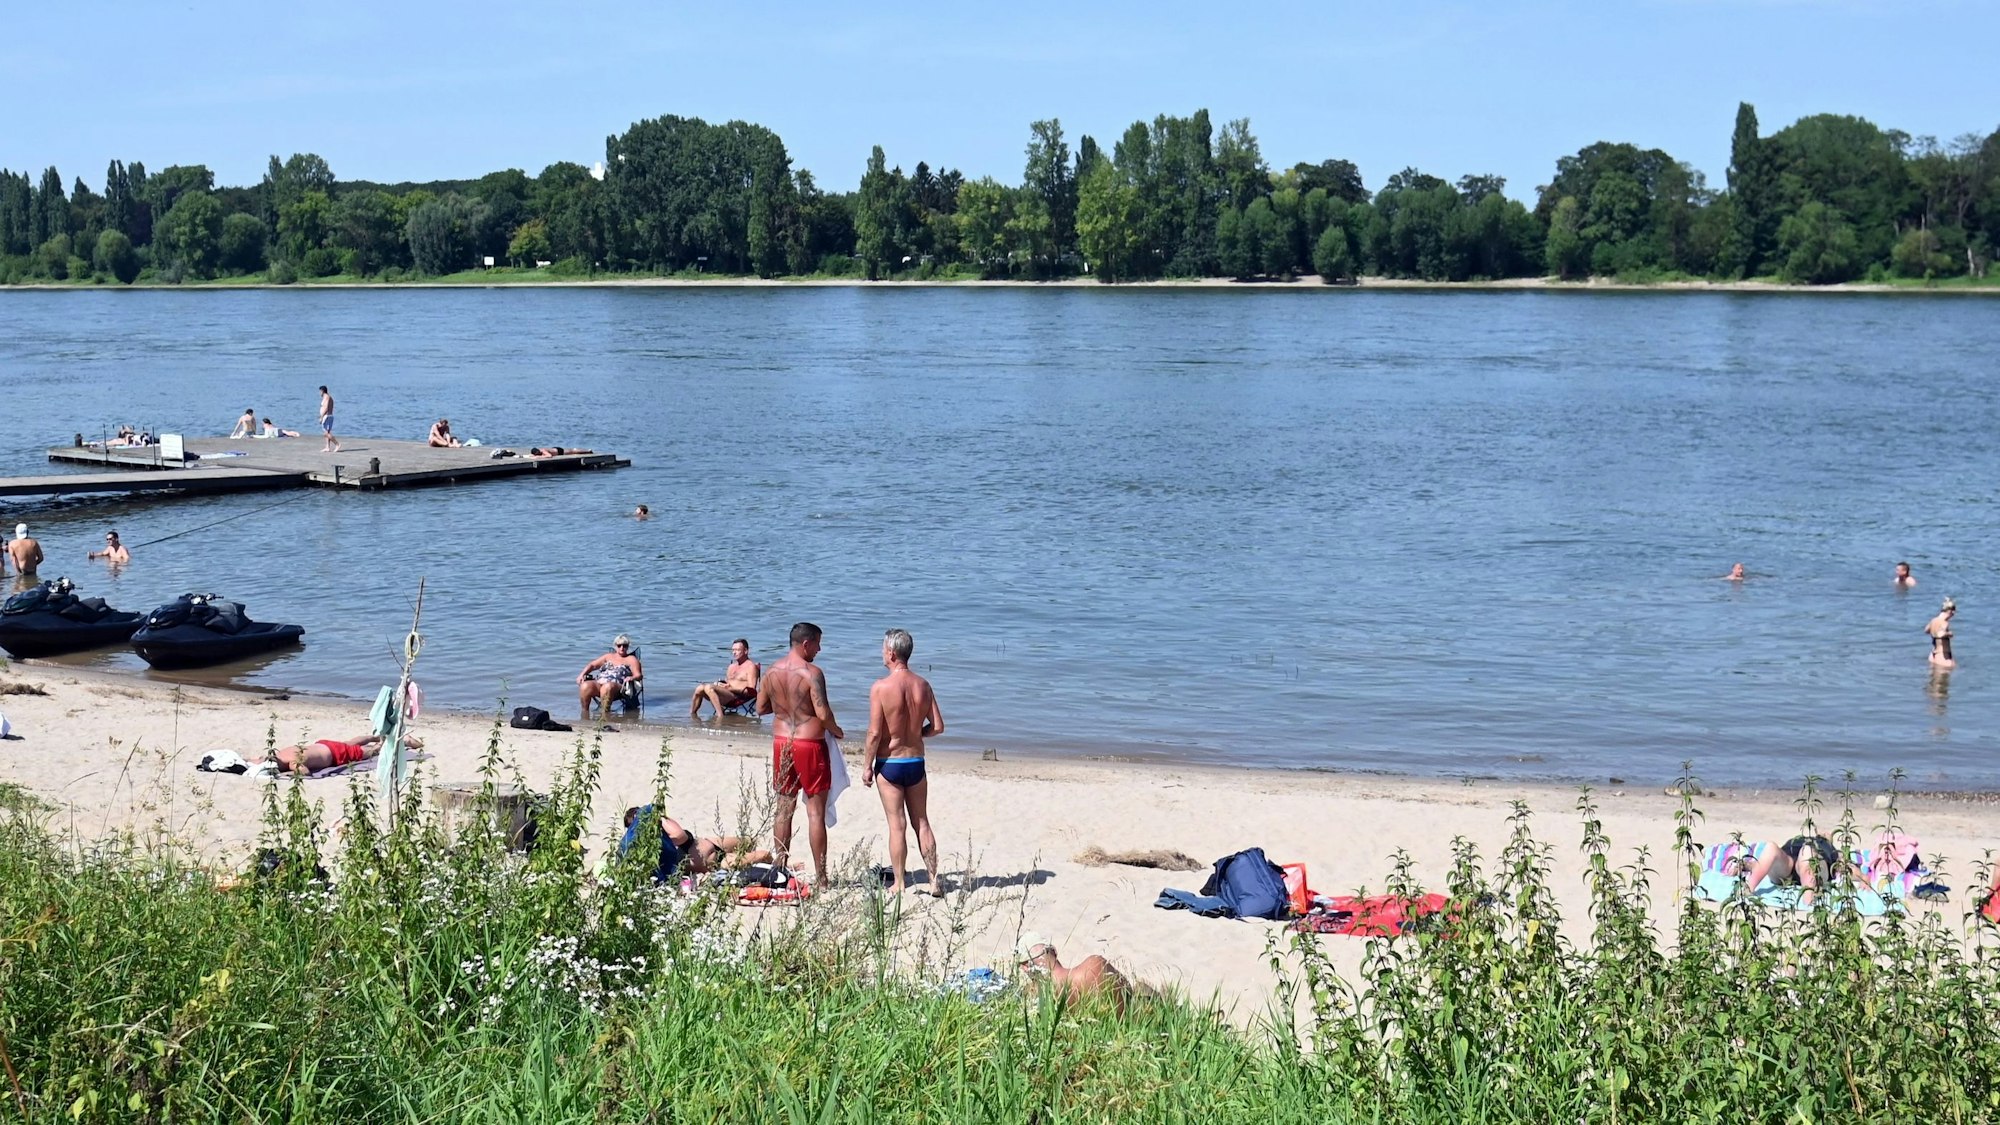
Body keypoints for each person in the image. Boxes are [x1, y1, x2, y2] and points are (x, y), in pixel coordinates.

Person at [758, 622, 844, 885]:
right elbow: (823, 713)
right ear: (806, 643)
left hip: (782, 741)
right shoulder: (812, 673)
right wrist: (836, 730)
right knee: (815, 813)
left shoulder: (771, 671)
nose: (820, 649)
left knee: (783, 808)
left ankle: (779, 866)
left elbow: (761, 708)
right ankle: (821, 877)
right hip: (809, 743)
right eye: (818, 643)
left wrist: (786, 706)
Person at [865, 628, 946, 896]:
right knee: (921, 821)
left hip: (890, 763)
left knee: (896, 824)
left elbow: (875, 733)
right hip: (916, 762)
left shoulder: (881, 687)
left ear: (891, 653)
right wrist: (916, 734)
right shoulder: (923, 685)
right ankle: (934, 879)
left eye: (882, 648)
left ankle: (899, 883)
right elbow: (937, 727)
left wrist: (866, 765)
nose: (881, 653)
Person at [624, 807, 775, 875]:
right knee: (763, 855)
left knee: (749, 841)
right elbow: (680, 837)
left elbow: (681, 833)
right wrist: (657, 817)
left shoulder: (666, 829)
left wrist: (659, 818)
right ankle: (783, 863)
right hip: (716, 863)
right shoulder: (653, 846)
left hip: (713, 842)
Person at [1016, 937, 1132, 1012]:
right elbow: (1128, 992)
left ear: (1025, 968)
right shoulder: (1095, 965)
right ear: (1055, 951)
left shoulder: (1040, 1001)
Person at [1733, 834, 1843, 906]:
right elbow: (1767, 860)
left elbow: (1843, 866)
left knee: (1808, 851)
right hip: (1788, 865)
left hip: (1814, 865)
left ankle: (1808, 899)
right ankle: (1747, 890)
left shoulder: (1829, 847)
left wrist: (1861, 877)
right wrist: (1746, 865)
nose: (1822, 834)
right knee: (1771, 847)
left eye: (1827, 835)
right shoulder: (1798, 839)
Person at [255, 732, 419, 775]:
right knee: (349, 742)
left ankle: (400, 741)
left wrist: (291, 772)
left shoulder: (292, 763)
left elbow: (304, 772)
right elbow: (259, 759)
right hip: (322, 744)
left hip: (333, 755)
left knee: (369, 751)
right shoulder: (281, 752)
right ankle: (373, 735)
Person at [576, 634, 644, 720]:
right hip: (600, 682)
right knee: (585, 686)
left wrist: (631, 678)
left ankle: (604, 716)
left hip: (618, 687)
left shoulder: (631, 659)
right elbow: (592, 665)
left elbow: (638, 675)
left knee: (607, 686)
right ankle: (584, 716)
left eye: (625, 646)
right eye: (619, 645)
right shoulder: (608, 656)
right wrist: (581, 675)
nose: (622, 648)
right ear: (615, 646)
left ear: (628, 647)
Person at [690, 638, 761, 718]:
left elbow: (752, 691)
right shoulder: (731, 666)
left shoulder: (751, 667)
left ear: (746, 651)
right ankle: (692, 715)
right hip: (727, 693)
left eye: (737, 650)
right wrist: (721, 684)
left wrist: (731, 689)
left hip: (737, 697)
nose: (734, 652)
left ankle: (720, 716)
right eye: (733, 650)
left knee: (709, 687)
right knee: (700, 688)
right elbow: (728, 683)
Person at [1927, 598, 1957, 669]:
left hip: (1932, 656)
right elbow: (1941, 634)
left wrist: (1934, 632)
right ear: (1950, 611)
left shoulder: (1933, 620)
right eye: (1953, 613)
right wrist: (1949, 633)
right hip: (1943, 657)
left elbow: (1926, 630)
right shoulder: (1945, 623)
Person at [318, 385, 339, 453]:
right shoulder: (325, 397)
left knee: (326, 433)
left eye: (320, 392)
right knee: (327, 432)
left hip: (327, 416)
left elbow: (326, 408)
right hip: (326, 416)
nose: (319, 393)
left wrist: (321, 417)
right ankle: (327, 447)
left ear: (322, 391)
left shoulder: (327, 397)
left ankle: (337, 444)